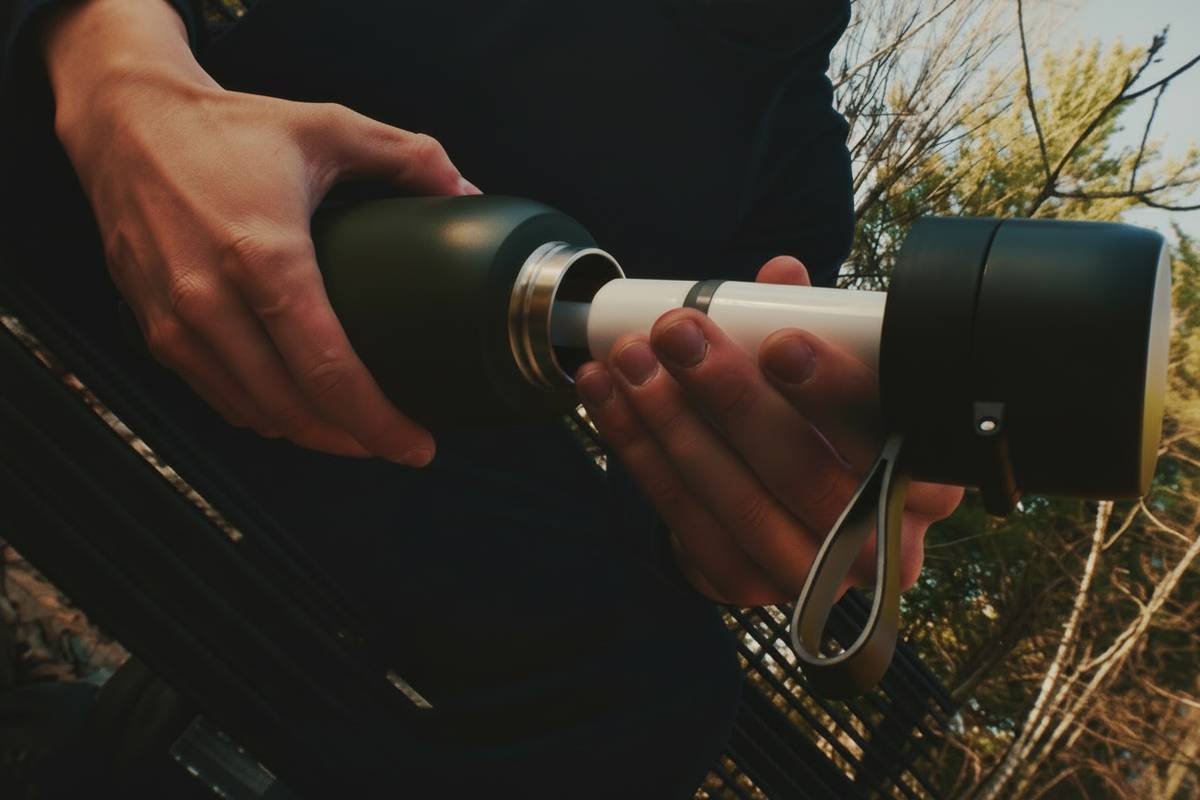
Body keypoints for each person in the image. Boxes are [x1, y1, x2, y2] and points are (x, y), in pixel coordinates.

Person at [0, 0, 963, 796]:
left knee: (655, 692)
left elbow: (653, 497)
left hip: (390, 431)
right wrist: (124, 77)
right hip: (108, 171)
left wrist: (740, 525)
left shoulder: (794, 179)